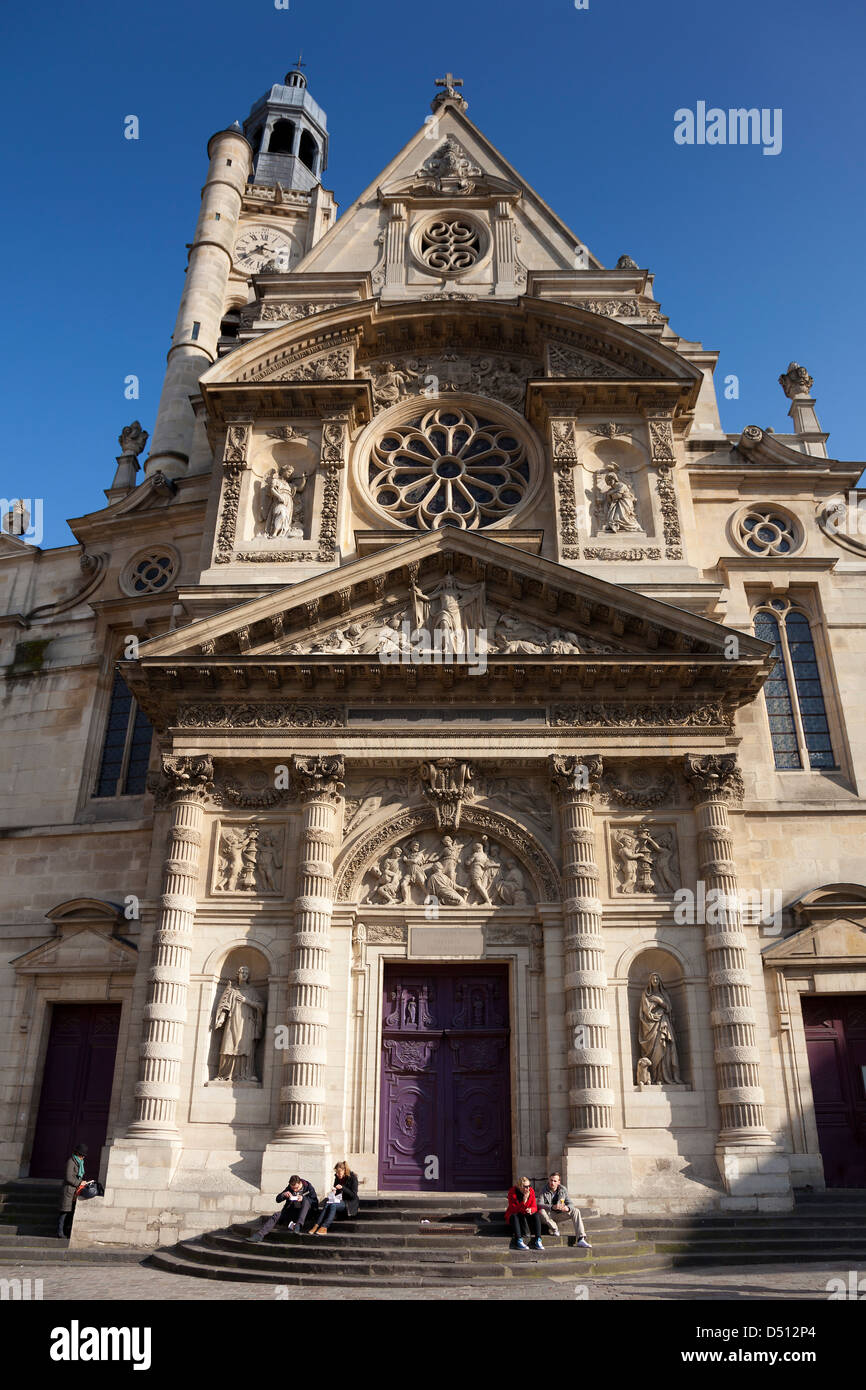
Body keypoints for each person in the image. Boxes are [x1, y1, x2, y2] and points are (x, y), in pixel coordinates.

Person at [249, 1174, 318, 1241]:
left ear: (300, 1183)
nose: (295, 1190)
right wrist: (283, 1195)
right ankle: (259, 1235)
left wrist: (303, 1198)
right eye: (293, 1188)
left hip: (306, 1214)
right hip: (292, 1212)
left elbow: (315, 1202)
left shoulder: (308, 1187)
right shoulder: (289, 1188)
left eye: (296, 1188)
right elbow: (277, 1199)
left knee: (306, 1201)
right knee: (276, 1215)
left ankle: (298, 1226)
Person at [538, 1171, 592, 1249]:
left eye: (555, 1181)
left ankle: (581, 1239)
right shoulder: (544, 1190)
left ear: (558, 1182)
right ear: (549, 1180)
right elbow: (539, 1204)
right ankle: (555, 1229)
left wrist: (568, 1208)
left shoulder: (563, 1189)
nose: (552, 1183)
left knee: (576, 1211)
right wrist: (552, 1207)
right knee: (541, 1211)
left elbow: (571, 1204)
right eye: (551, 1180)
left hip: (559, 1214)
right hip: (548, 1216)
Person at [309, 1161, 359, 1235]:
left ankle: (324, 1227)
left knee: (333, 1205)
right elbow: (337, 1191)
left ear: (344, 1170)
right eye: (336, 1172)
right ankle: (316, 1225)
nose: (337, 1175)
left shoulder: (353, 1178)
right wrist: (334, 1191)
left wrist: (343, 1188)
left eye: (339, 1172)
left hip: (349, 1203)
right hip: (339, 1200)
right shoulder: (337, 1177)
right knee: (327, 1203)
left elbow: (353, 1195)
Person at [504, 1175, 544, 1251]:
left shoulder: (531, 1191)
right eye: (525, 1186)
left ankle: (538, 1240)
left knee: (536, 1214)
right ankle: (519, 1240)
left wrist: (531, 1210)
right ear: (520, 1186)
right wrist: (524, 1201)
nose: (528, 1188)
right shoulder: (512, 1192)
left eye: (529, 1186)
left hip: (526, 1215)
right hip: (515, 1216)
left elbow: (534, 1207)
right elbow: (514, 1209)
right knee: (515, 1216)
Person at [57, 1141, 88, 1238]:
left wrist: (82, 1182)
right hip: (68, 1191)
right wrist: (79, 1182)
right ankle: (60, 1232)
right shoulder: (71, 1161)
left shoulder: (80, 1162)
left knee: (70, 1213)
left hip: (74, 1191)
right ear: (78, 1154)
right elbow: (68, 1177)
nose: (83, 1157)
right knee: (64, 1212)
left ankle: (66, 1231)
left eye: (84, 1156)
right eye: (82, 1155)